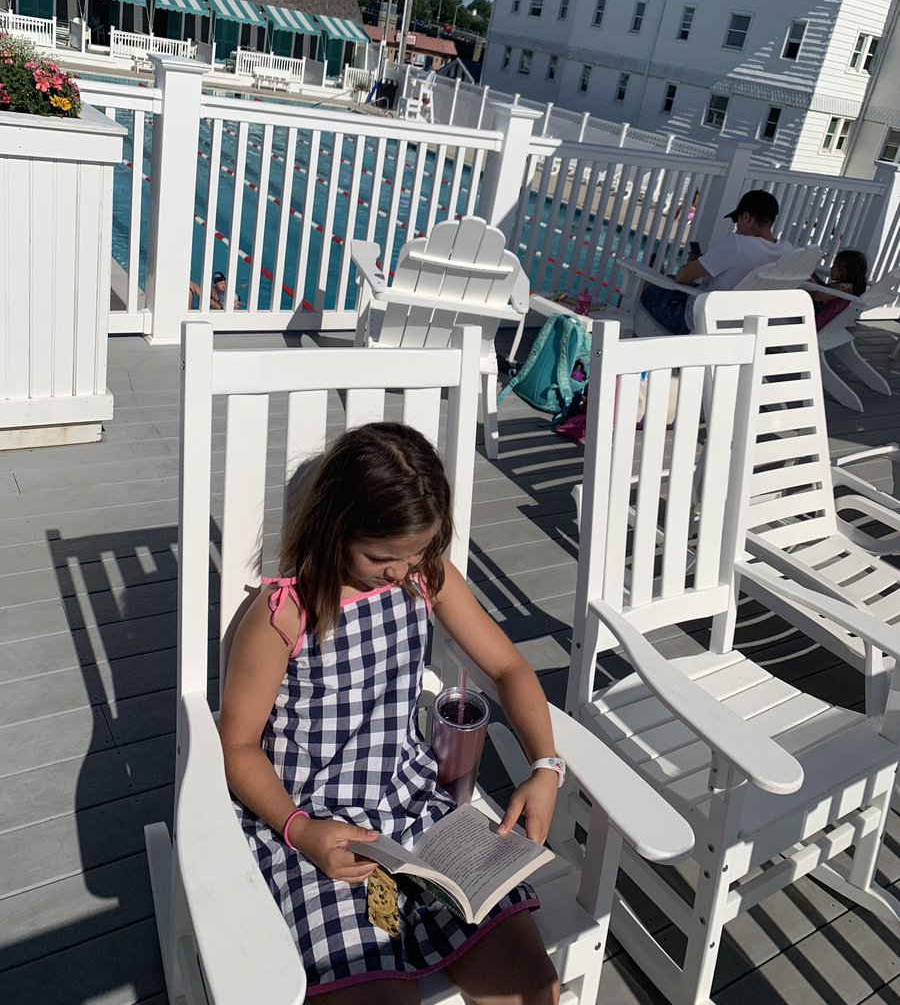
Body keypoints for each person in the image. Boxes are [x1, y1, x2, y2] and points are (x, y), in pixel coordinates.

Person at [219, 422, 562, 1003]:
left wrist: (546, 766)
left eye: (417, 552)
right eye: (382, 557)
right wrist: (300, 830)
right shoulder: (285, 615)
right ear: (333, 526)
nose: (402, 572)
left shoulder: (428, 578)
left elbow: (509, 668)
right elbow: (236, 745)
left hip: (416, 808)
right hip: (316, 828)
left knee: (533, 986)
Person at [640, 189, 792, 335]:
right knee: (669, 280)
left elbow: (682, 277)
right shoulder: (786, 251)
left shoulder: (737, 244)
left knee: (648, 287)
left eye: (736, 220)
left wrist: (692, 264)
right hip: (742, 326)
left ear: (746, 217)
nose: (736, 226)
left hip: (697, 322)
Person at [809, 248, 868, 331]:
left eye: (835, 265)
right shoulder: (848, 287)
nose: (831, 268)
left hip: (816, 323)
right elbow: (826, 289)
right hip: (827, 324)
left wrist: (804, 292)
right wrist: (813, 276)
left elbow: (818, 296)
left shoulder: (844, 289)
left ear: (843, 271)